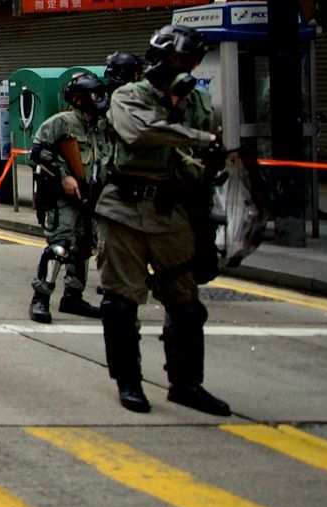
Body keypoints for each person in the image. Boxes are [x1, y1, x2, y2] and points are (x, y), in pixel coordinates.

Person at [99, 25, 231, 416]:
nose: (181, 67)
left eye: (188, 61)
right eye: (175, 59)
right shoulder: (128, 96)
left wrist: (207, 214)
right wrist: (200, 141)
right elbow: (139, 134)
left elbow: (198, 162)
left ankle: (187, 383)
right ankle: (129, 383)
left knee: (187, 305)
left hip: (173, 209)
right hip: (124, 207)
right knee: (121, 303)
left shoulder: (199, 103)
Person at [29, 72, 112, 324]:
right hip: (63, 197)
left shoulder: (101, 127)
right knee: (60, 246)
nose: (99, 100)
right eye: (94, 95)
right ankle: (41, 298)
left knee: (84, 246)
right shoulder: (62, 123)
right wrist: (64, 175)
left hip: (91, 196)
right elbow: (38, 152)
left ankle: (73, 296)